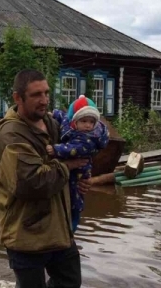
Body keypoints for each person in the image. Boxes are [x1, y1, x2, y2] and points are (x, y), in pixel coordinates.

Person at [0, 69, 91, 288]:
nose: (44, 100)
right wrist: (67, 166)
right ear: (18, 98)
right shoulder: (12, 135)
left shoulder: (53, 123)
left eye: (47, 93)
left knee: (70, 282)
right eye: (37, 94)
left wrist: (80, 177)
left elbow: (76, 150)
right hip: (27, 235)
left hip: (59, 231)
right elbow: (30, 183)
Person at [46, 95, 109, 233]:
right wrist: (54, 113)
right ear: (75, 121)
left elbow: (73, 150)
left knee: (75, 199)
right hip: (71, 172)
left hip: (79, 173)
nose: (88, 125)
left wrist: (55, 149)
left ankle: (71, 228)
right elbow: (64, 118)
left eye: (91, 122)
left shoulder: (87, 138)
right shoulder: (72, 126)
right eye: (84, 121)